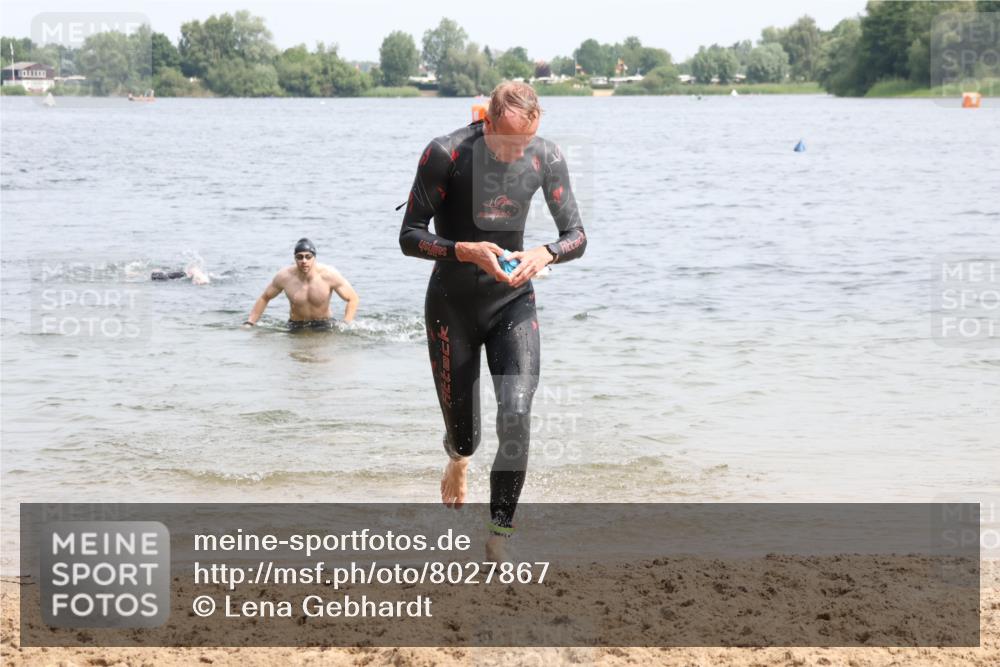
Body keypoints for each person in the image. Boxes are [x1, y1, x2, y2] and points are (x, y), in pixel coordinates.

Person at [399, 81, 586, 559]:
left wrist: (545, 254)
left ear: (537, 124)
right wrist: (464, 250)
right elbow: (409, 236)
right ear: (486, 122)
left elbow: (576, 236)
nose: (510, 153)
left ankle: (499, 533)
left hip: (512, 302)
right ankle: (457, 460)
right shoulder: (446, 153)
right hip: (452, 306)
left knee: (517, 414)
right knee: (466, 437)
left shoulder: (546, 156)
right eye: (501, 141)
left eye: (519, 143)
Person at [244, 238, 358, 329]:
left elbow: (353, 298)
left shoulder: (329, 275)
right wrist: (250, 322)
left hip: (324, 324)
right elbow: (265, 297)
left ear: (314, 257)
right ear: (295, 258)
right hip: (296, 325)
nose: (304, 261)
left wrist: (346, 323)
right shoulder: (284, 277)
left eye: (308, 257)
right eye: (300, 257)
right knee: (296, 357)